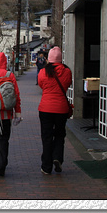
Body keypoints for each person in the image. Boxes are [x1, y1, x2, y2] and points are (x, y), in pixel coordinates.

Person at [37, 46, 72, 175]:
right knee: (59, 134)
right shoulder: (67, 72)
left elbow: (41, 85)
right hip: (61, 108)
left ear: (49, 59)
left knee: (46, 137)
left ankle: (46, 166)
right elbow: (67, 84)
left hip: (45, 108)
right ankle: (57, 157)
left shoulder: (43, 72)